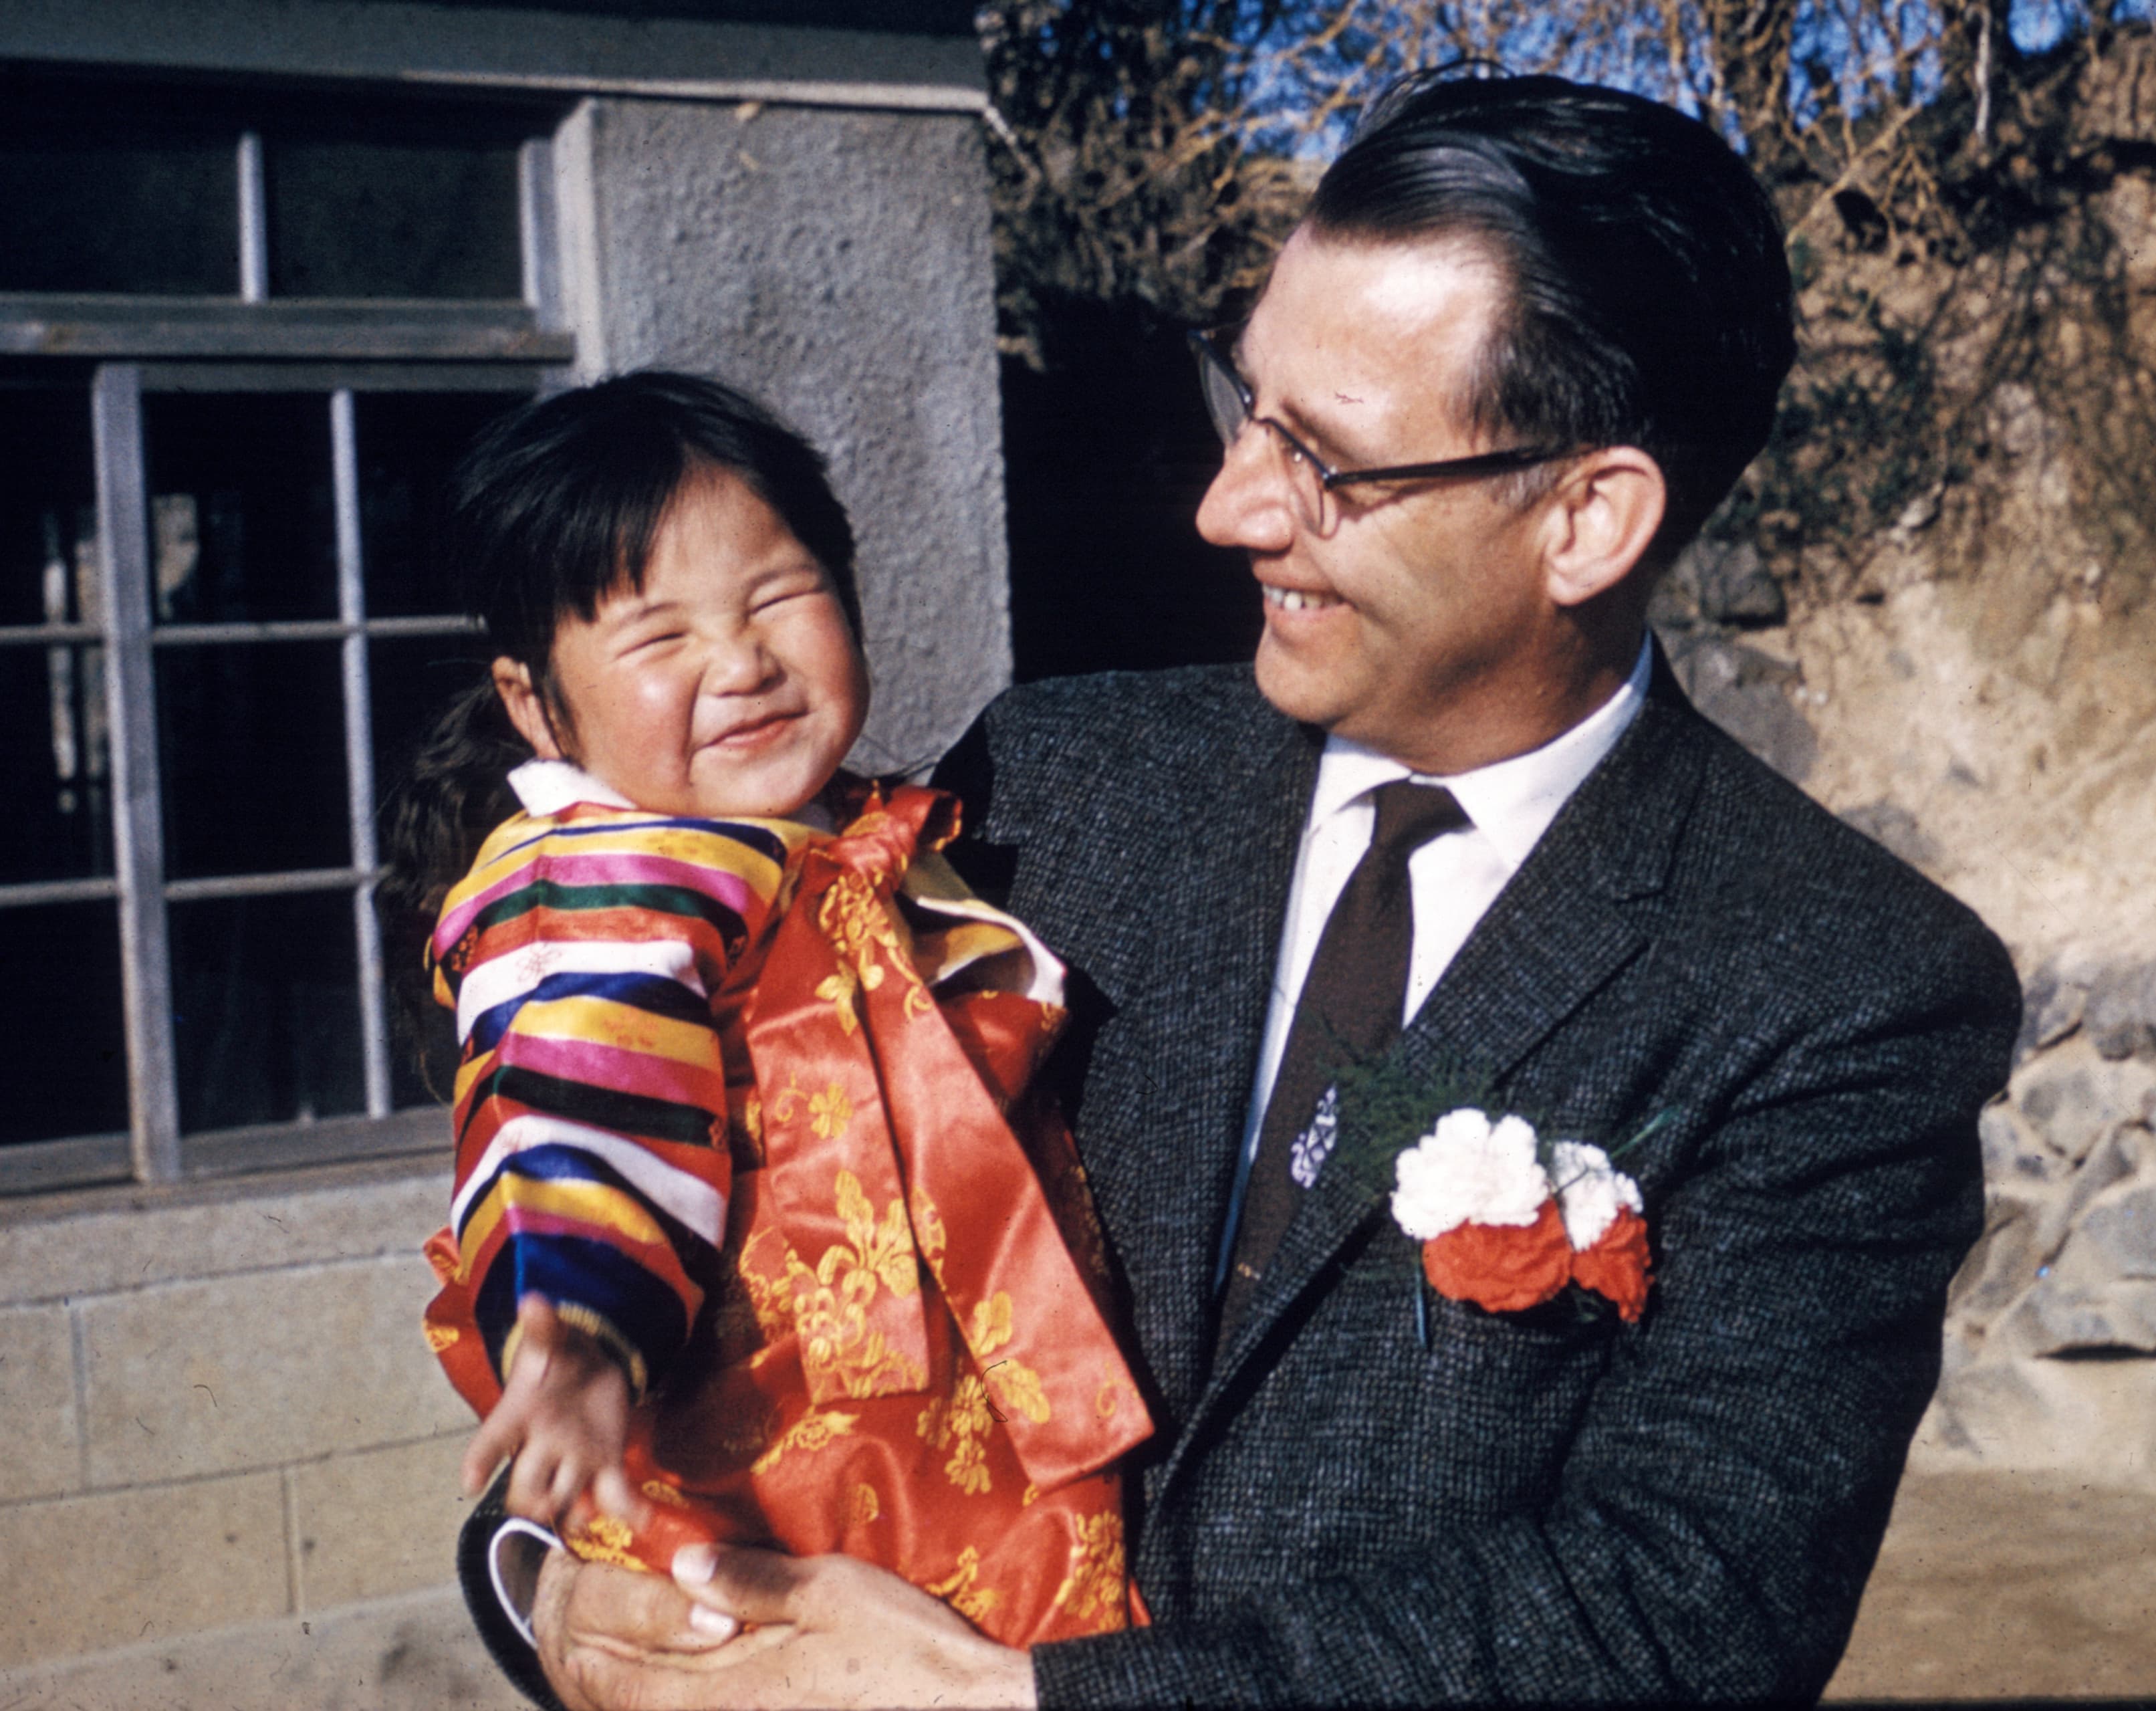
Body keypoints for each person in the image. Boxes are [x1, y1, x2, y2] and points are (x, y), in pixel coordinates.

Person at [479, 71, 2020, 1708]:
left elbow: (1682, 1609)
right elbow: (668, 1161)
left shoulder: (1837, 982)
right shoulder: (1048, 784)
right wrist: (557, 1589)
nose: (1228, 507)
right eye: (1248, 408)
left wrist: (1018, 1703)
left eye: (1329, 465)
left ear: (1587, 516)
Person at [388, 372, 1151, 1703]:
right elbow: (578, 1105)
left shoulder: (873, 837)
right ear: (533, 701)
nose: (738, 664)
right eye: (657, 635)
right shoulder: (600, 886)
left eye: (775, 596)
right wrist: (575, 1331)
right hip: (768, 1485)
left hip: (949, 1470)